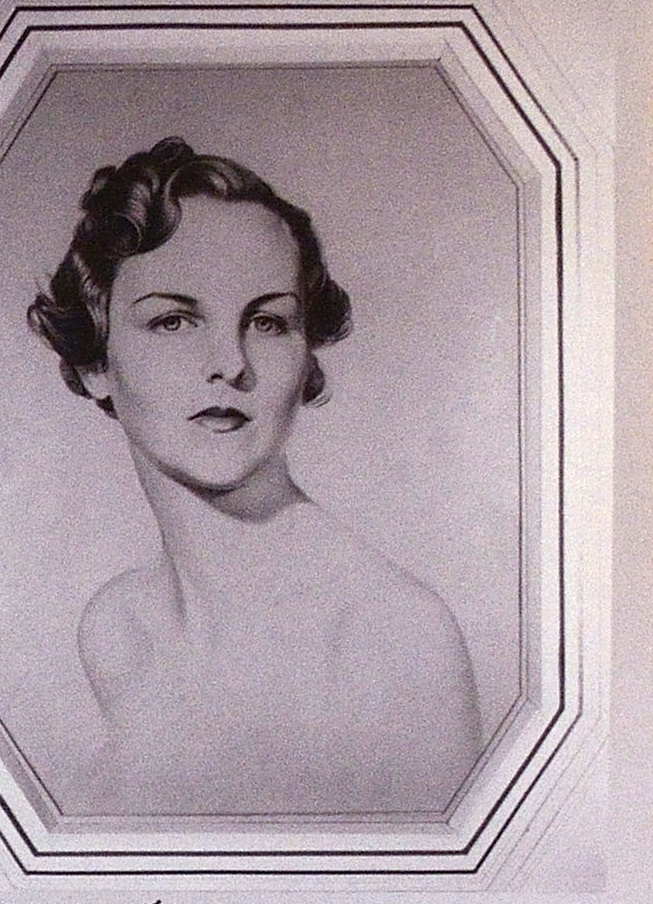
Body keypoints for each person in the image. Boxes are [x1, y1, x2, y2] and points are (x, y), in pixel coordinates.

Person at [28, 137, 481, 816]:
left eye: (267, 322)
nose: (231, 363)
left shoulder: (393, 639)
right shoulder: (119, 628)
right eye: (173, 321)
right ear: (96, 362)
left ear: (306, 358)